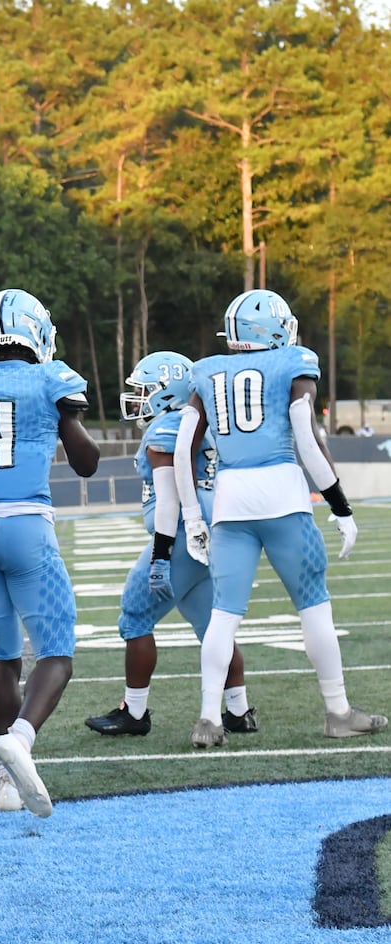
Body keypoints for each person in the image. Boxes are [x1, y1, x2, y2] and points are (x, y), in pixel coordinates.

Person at [174, 289, 386, 745]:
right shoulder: (293, 361)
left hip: (230, 504)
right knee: (314, 607)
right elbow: (305, 435)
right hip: (283, 498)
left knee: (223, 616)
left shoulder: (207, 371)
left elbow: (183, 446)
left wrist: (192, 516)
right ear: (272, 328)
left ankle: (209, 718)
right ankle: (338, 711)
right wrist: (340, 505)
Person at [0, 288, 100, 818]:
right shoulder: (51, 379)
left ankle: (9, 786)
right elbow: (87, 462)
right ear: (37, 331)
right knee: (56, 654)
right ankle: (22, 739)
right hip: (28, 524)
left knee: (3, 658)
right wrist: (62, 417)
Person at [85, 351, 252, 737]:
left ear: (168, 392)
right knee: (213, 626)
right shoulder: (200, 425)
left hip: (179, 535)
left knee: (135, 613)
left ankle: (135, 713)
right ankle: (239, 711)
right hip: (212, 537)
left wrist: (160, 557)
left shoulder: (167, 429)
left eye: (145, 389)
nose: (138, 397)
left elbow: (170, 499)